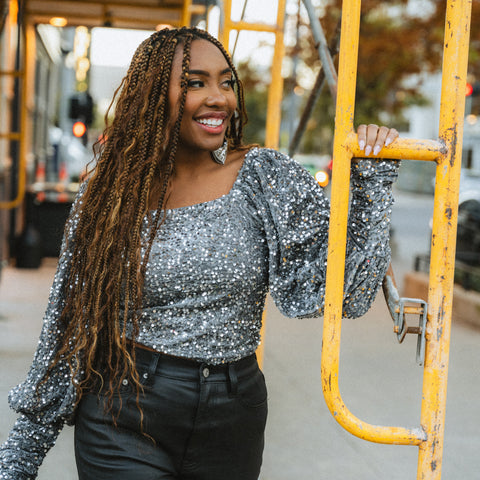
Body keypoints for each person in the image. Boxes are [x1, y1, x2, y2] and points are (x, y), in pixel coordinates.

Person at [0, 27, 399, 479]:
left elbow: (346, 295)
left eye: (226, 82)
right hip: (125, 414)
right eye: (195, 83)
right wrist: (19, 460)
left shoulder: (266, 178)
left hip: (233, 416)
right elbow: (68, 324)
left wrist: (371, 181)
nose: (219, 98)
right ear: (153, 96)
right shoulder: (109, 195)